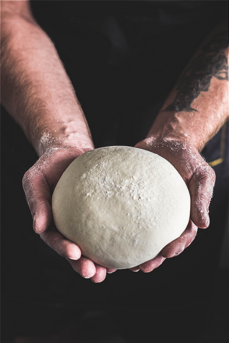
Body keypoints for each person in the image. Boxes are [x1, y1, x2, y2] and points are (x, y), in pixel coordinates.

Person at [1, 1, 228, 342]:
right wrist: (58, 139)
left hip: (188, 117)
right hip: (39, 98)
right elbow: (7, 12)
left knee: (167, 316)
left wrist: (179, 135)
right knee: (34, 306)